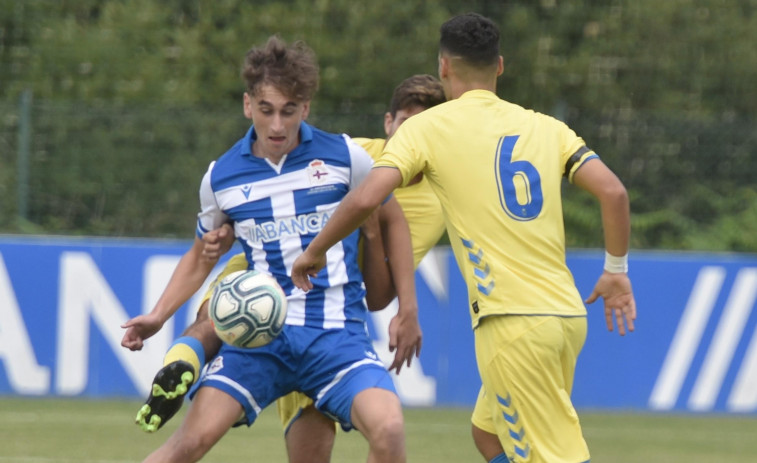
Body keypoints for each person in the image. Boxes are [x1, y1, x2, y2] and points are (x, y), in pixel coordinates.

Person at [291, 12, 637, 463]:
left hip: (512, 322)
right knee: (487, 435)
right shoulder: (546, 126)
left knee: (556, 457)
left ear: (444, 67)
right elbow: (613, 192)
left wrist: (313, 252)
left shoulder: (428, 128)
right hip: (565, 316)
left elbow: (364, 200)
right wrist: (615, 271)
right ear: (499, 66)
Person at [120, 35, 421, 463]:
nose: (277, 125)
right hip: (259, 343)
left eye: (289, 111)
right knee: (186, 445)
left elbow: (393, 219)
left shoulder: (345, 157)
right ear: (248, 106)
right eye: (266, 111)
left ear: (306, 108)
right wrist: (158, 315)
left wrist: (407, 309)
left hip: (337, 337)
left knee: (389, 431)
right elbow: (198, 255)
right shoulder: (221, 177)